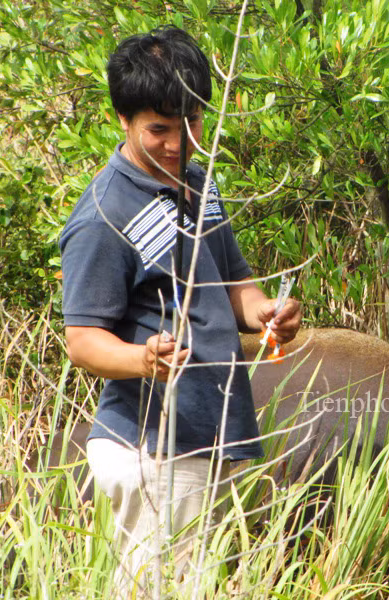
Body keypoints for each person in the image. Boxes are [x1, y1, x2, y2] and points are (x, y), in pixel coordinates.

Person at [60, 26, 301, 597]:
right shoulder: (102, 214)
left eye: (191, 124)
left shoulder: (199, 182)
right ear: (125, 121)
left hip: (209, 433)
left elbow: (233, 281)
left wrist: (265, 310)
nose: (177, 143)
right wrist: (144, 358)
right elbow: (83, 340)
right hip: (152, 448)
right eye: (159, 129)